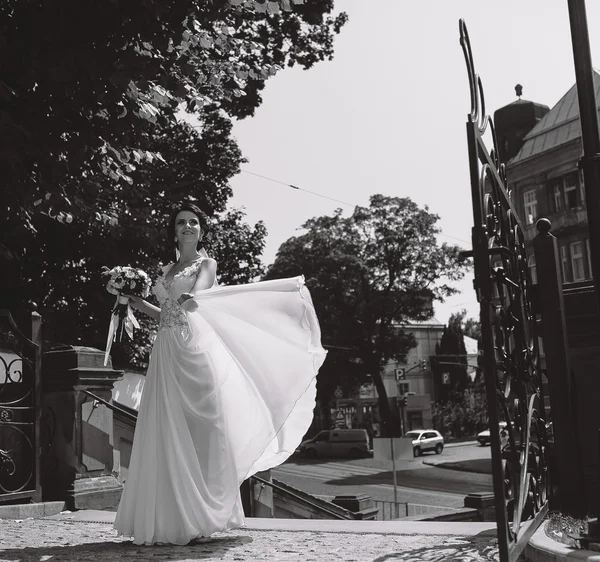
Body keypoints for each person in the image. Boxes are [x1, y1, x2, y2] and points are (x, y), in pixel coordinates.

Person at [113, 202, 326, 545]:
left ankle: (203, 514)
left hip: (193, 351)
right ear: (174, 230)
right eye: (181, 222)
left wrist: (183, 298)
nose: (187, 226)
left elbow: (198, 300)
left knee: (203, 430)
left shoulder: (206, 264)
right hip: (165, 351)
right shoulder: (166, 269)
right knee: (165, 430)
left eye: (193, 222)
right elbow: (164, 313)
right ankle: (170, 517)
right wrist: (133, 301)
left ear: (201, 230)